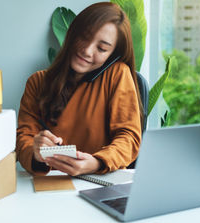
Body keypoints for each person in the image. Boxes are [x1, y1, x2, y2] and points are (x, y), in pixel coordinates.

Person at [16, 2, 143, 176]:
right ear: (72, 32)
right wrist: (36, 152)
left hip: (99, 180)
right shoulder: (37, 82)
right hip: (50, 185)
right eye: (84, 37)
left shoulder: (117, 74)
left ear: (112, 55)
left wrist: (97, 162)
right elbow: (24, 140)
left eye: (102, 48)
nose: (87, 51)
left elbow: (129, 138)